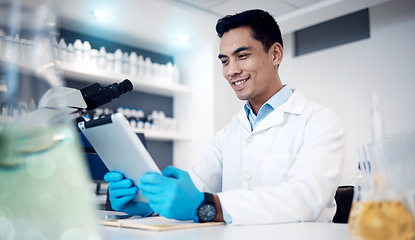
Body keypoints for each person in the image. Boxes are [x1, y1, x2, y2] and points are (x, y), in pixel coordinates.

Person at [104, 9, 345, 225]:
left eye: (242, 56)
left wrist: (208, 206)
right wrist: (147, 204)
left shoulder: (319, 121)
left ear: (275, 55)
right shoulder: (227, 135)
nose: (231, 71)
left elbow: (304, 200)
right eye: (225, 61)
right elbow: (195, 190)